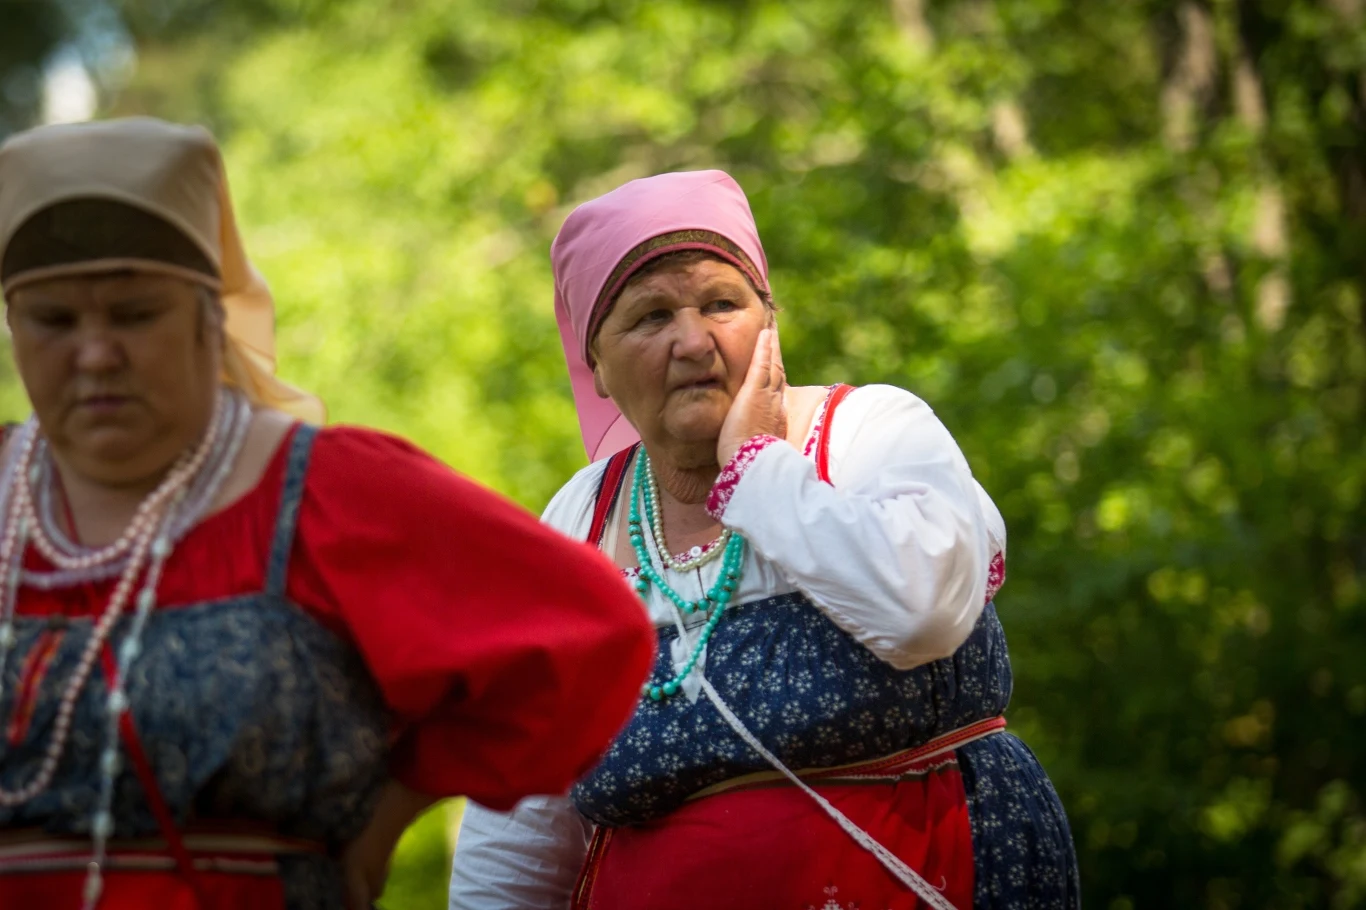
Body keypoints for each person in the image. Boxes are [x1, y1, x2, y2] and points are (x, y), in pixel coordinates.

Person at [0, 117, 655, 910]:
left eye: (135, 314)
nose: (96, 352)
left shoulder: (325, 493)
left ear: (210, 318)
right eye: (54, 320)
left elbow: (593, 637)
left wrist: (391, 812)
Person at [449, 170, 1079, 909]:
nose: (693, 341)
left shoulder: (869, 437)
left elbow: (924, 611)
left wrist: (756, 472)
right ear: (597, 365)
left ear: (769, 320)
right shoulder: (582, 518)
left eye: (722, 303)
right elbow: (522, 807)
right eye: (651, 318)